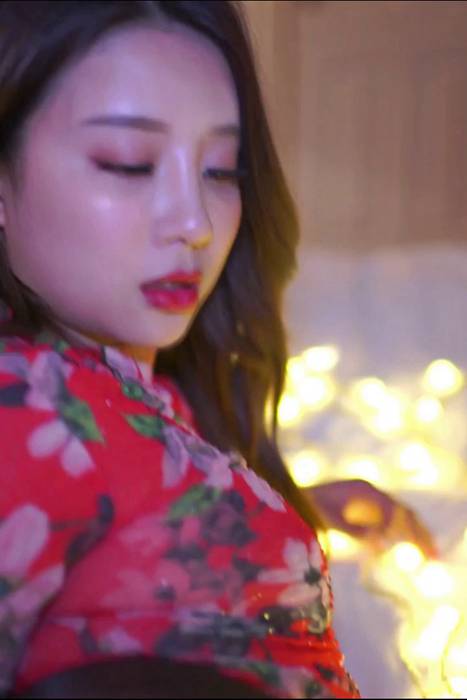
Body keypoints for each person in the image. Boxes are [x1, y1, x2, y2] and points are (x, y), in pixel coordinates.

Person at [0, 1, 431, 697]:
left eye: (221, 171)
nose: (195, 222)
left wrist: (274, 510)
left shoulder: (126, 390)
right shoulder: (25, 404)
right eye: (129, 163)